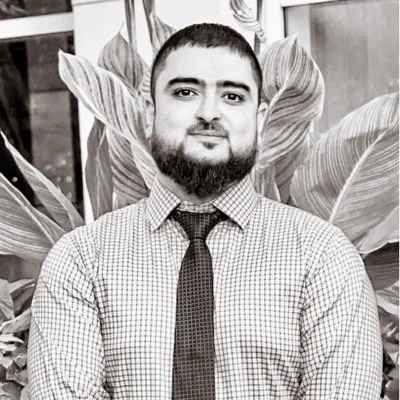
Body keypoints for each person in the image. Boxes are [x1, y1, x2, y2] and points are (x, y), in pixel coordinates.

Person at [28, 23, 382, 399]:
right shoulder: (81, 260)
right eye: (185, 92)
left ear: (260, 118)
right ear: (149, 113)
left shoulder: (322, 256)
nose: (209, 113)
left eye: (232, 96)